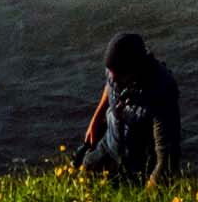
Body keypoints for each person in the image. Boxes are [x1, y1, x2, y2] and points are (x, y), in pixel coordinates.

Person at [77, 32, 181, 183]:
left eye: (117, 76)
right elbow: (109, 86)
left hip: (137, 164)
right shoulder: (116, 69)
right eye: (110, 73)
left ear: (135, 69)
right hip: (109, 144)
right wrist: (95, 119)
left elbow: (166, 159)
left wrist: (149, 199)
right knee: (81, 179)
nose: (112, 79)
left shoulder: (161, 93)